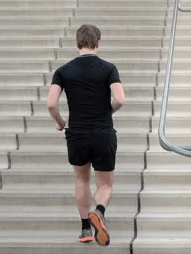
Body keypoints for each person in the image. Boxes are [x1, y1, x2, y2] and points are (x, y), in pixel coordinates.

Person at [46, 24, 125, 246]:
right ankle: (99, 211)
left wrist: (61, 123)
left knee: (82, 179)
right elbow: (120, 99)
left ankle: (84, 229)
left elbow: (51, 104)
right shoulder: (109, 68)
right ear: (98, 43)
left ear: (77, 43)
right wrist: (106, 111)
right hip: (102, 132)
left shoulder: (63, 71)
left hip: (77, 133)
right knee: (105, 184)